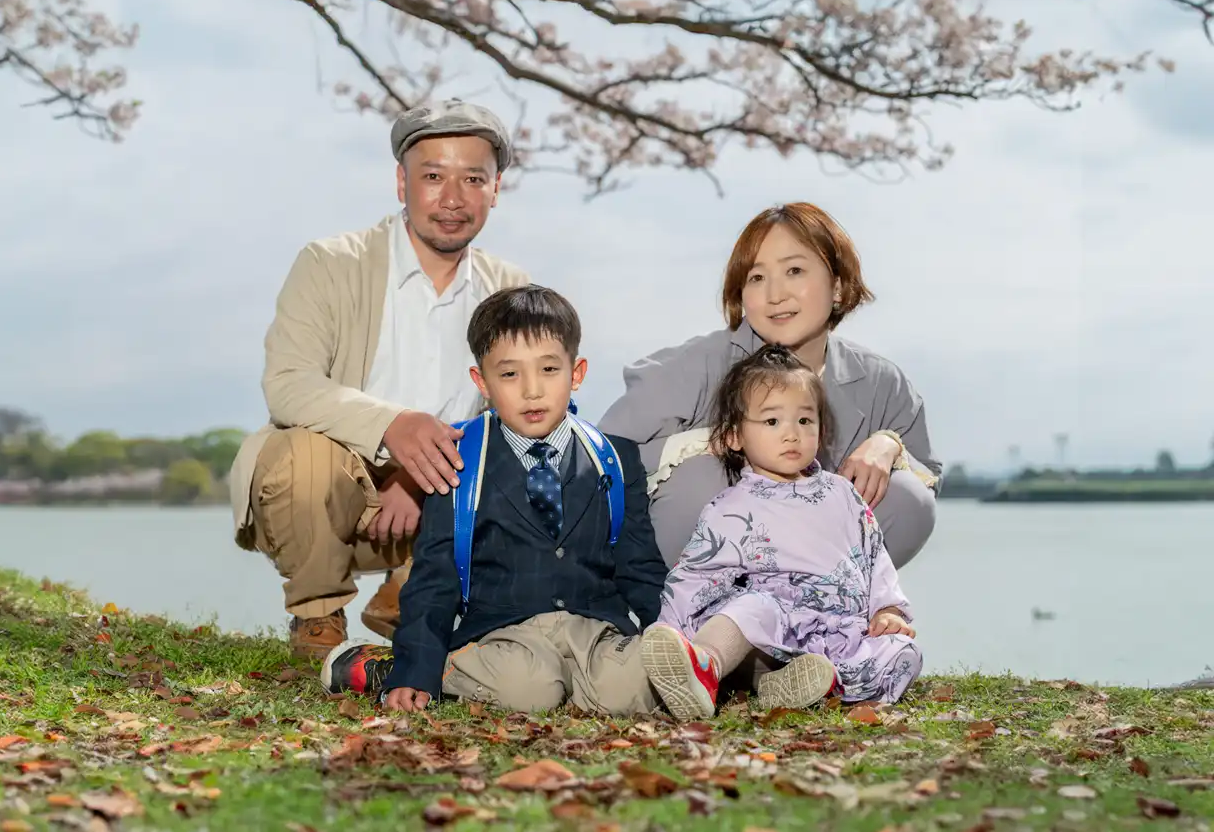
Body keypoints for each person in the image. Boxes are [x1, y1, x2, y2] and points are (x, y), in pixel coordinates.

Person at [227, 99, 530, 659]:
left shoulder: (510, 289)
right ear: (401, 181)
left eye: (473, 179)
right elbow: (289, 383)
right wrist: (395, 429)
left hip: (446, 501)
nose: (452, 198)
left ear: (496, 189)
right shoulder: (330, 263)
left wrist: (417, 478)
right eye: (433, 176)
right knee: (300, 451)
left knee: (534, 444)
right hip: (332, 499)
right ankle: (318, 619)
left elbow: (520, 409)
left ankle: (418, 597)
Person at [323, 286, 669, 715]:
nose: (531, 390)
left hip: (594, 630)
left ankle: (593, 680)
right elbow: (435, 578)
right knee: (529, 691)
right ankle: (397, 666)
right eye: (509, 374)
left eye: (548, 369)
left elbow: (640, 568)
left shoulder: (615, 458)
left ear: (576, 373)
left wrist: (673, 638)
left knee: (630, 692)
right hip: (503, 633)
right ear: (481, 382)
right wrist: (416, 670)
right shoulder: (459, 459)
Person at [599, 202, 941, 570]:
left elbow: (927, 481)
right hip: (691, 587)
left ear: (838, 286)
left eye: (794, 270)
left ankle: (828, 615)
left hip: (817, 578)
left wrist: (889, 445)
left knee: (907, 495)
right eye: (757, 278)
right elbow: (596, 460)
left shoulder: (881, 382)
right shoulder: (693, 365)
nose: (775, 295)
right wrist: (696, 446)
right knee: (706, 474)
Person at [640, 344, 922, 719]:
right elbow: (694, 574)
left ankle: (814, 685)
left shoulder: (842, 493)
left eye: (804, 421)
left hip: (839, 633)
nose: (791, 434)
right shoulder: (732, 508)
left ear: (820, 430)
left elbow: (874, 556)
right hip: (772, 630)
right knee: (752, 608)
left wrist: (887, 608)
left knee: (904, 652)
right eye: (772, 422)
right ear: (734, 437)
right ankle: (702, 664)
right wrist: (670, 631)